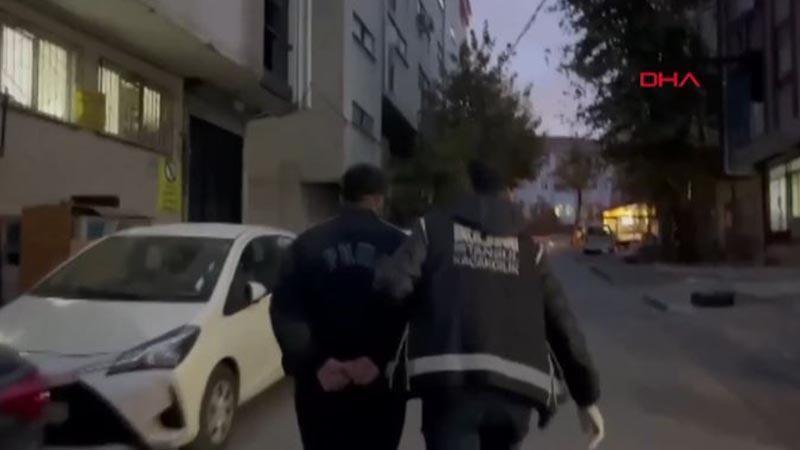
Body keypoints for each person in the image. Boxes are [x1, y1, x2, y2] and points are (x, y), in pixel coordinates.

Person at [374, 160, 605, 450]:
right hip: (515, 391)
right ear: (507, 193)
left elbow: (392, 285)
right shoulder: (528, 249)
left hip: (450, 386)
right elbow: (563, 325)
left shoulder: (432, 229)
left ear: (466, 189)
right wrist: (586, 397)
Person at [271, 164, 409, 450]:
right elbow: (415, 312)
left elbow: (285, 312)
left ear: (342, 197)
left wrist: (317, 363)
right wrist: (379, 360)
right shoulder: (401, 245)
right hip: (380, 385)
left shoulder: (306, 244)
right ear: (379, 199)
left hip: (320, 386)